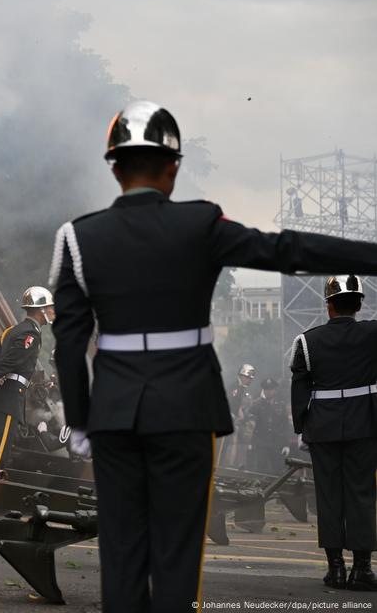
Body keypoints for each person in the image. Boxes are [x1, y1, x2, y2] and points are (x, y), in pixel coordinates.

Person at [50, 100, 377, 612]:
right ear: (173, 168)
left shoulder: (76, 238)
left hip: (113, 411)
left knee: (122, 550)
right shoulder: (200, 224)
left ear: (113, 166)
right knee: (179, 552)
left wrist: (80, 421)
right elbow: (287, 249)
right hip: (186, 406)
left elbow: (68, 342)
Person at [290, 275, 377, 591]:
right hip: (364, 426)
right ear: (358, 305)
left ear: (328, 307)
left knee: (328, 496)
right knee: (361, 494)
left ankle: (335, 568)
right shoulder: (372, 334)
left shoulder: (307, 341)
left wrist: (302, 429)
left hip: (323, 428)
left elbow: (300, 389)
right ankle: (363, 569)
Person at [0, 286, 54, 475]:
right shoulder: (30, 334)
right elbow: (8, 365)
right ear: (41, 310)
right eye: (50, 307)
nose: (52, 311)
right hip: (8, 401)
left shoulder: (12, 330)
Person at [247, 378, 290, 475]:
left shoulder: (281, 405)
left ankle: (277, 490)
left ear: (275, 390)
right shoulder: (257, 404)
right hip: (261, 443)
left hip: (277, 443)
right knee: (260, 470)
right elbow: (251, 425)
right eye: (266, 389)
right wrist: (251, 442)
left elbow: (285, 426)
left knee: (278, 470)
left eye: (270, 389)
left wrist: (286, 444)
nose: (268, 392)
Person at [222, 363, 257, 468]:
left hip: (233, 422)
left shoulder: (242, 389)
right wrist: (235, 416)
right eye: (247, 377)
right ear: (241, 376)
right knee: (223, 446)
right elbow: (229, 403)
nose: (249, 380)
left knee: (230, 445)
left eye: (250, 378)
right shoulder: (234, 388)